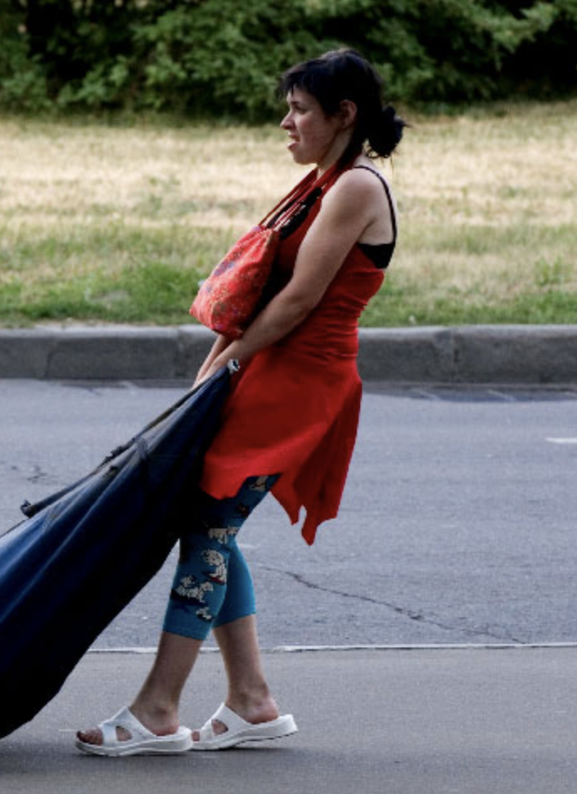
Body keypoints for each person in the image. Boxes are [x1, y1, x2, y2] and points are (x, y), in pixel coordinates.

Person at [76, 48, 406, 756]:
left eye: (300, 110)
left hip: (300, 381)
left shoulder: (356, 189)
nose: (285, 122)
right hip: (269, 368)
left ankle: (160, 709)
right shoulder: (318, 183)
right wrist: (213, 370)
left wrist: (224, 368)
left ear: (344, 116)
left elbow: (298, 301)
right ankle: (251, 701)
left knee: (211, 524)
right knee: (209, 519)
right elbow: (260, 294)